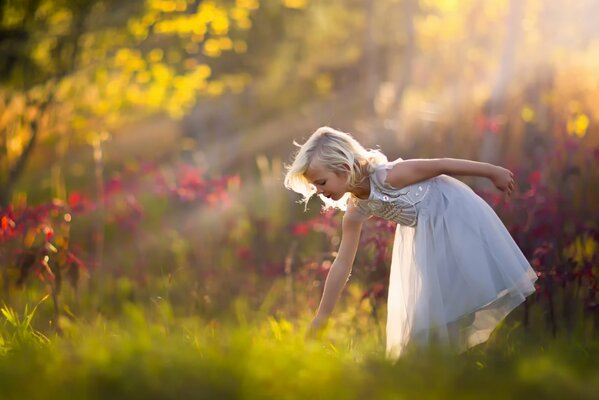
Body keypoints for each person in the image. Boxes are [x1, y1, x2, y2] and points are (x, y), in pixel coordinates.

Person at [283, 126, 538, 361]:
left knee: (451, 299)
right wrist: (322, 316)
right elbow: (342, 263)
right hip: (426, 233)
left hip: (454, 214)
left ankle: (467, 363)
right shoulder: (355, 210)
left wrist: (493, 172)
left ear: (343, 167)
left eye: (321, 182)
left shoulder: (390, 176)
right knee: (430, 312)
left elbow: (441, 165)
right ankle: (448, 365)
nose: (318, 191)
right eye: (314, 185)